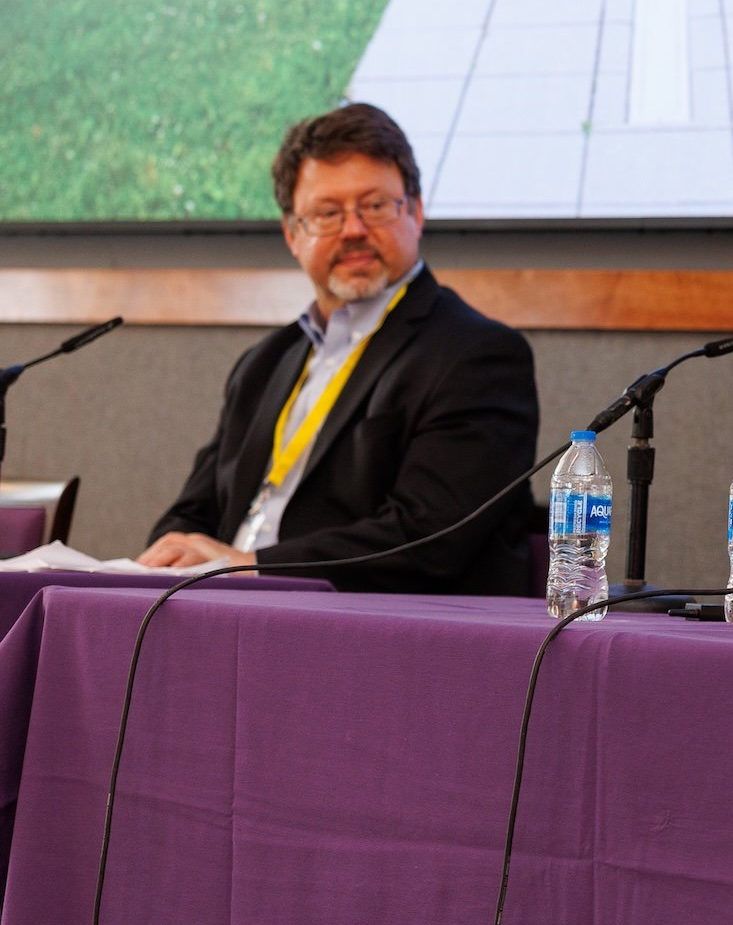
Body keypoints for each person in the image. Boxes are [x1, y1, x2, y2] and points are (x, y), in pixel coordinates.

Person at [139, 103, 540, 594]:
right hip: (224, 609)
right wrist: (169, 553)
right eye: (328, 213)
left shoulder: (477, 355)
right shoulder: (264, 363)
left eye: (374, 206)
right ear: (292, 233)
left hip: (364, 632)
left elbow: (428, 537)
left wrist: (251, 564)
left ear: (415, 212)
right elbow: (193, 512)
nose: (353, 230)